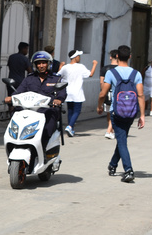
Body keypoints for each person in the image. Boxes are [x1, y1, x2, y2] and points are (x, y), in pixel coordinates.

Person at [96, 45, 145, 183]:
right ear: (130, 56)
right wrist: (142, 115)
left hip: (116, 111)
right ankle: (112, 165)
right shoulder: (136, 74)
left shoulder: (112, 73)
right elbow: (140, 95)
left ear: (117, 56)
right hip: (130, 112)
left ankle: (128, 170)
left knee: (122, 140)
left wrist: (99, 106)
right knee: (122, 139)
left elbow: (103, 93)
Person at [4, 51, 67, 149]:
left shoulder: (56, 79)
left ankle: (44, 149)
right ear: (35, 65)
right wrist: (11, 98)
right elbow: (19, 91)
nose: (41, 65)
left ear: (49, 64)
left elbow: (62, 92)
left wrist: (59, 100)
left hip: (46, 110)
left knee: (47, 128)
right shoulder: (29, 79)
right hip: (28, 110)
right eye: (38, 63)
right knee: (15, 116)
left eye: (44, 63)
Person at [57, 49, 98, 137]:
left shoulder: (66, 67)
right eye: (78, 56)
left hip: (68, 92)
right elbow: (90, 74)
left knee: (70, 110)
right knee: (77, 110)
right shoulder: (80, 66)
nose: (79, 58)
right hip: (77, 92)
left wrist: (61, 66)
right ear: (75, 57)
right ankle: (70, 126)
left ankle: (71, 129)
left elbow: (58, 75)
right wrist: (94, 65)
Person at [100, 49, 119, 139]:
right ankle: (109, 130)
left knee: (109, 112)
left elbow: (101, 83)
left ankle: (110, 130)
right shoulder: (120, 69)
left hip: (107, 93)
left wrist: (103, 92)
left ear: (111, 57)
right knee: (114, 113)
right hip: (117, 93)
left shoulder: (105, 68)